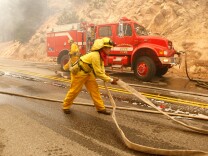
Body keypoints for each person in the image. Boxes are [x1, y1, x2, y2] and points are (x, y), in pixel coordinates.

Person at [62, 37, 119, 115]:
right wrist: (111, 80)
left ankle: (100, 108)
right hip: (79, 73)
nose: (110, 50)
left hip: (88, 73)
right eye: (109, 48)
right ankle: (65, 106)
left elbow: (101, 67)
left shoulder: (101, 55)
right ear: (103, 48)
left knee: (94, 90)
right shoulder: (95, 55)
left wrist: (106, 75)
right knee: (74, 91)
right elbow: (98, 73)